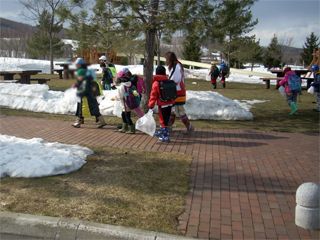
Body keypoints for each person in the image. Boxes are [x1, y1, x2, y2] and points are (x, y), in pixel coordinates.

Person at [72, 58, 106, 128]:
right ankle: (102, 121)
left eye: (77, 64)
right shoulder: (87, 70)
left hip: (85, 92)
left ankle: (78, 122)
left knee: (81, 106)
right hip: (91, 91)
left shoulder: (81, 71)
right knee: (93, 106)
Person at [165, 51, 194, 133]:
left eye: (167, 59)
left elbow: (176, 79)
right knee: (172, 110)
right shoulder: (175, 65)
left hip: (177, 92)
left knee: (179, 110)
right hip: (175, 91)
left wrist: (168, 82)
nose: (166, 61)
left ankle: (189, 127)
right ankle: (169, 127)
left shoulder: (177, 66)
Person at [148, 65, 176, 142]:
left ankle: (164, 137)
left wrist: (151, 105)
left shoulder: (156, 83)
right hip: (170, 104)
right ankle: (164, 134)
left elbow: (153, 95)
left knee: (162, 121)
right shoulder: (168, 81)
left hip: (162, 105)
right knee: (166, 120)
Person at [116, 70, 141, 134]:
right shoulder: (131, 85)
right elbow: (136, 94)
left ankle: (131, 129)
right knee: (124, 115)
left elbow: (120, 97)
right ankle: (125, 127)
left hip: (125, 104)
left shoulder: (121, 87)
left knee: (127, 116)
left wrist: (117, 98)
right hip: (131, 103)